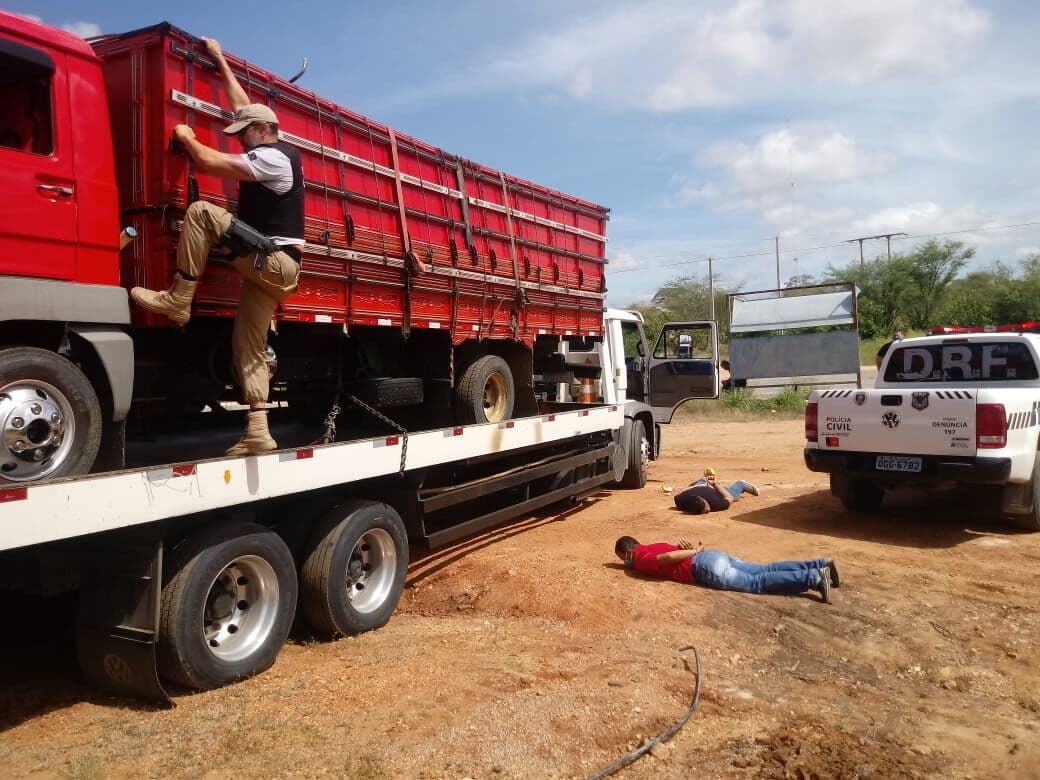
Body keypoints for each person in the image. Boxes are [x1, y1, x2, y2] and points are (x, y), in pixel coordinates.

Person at [130, 38, 304, 456]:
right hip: (271, 269)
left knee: (202, 212)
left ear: (263, 130)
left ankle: (179, 298)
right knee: (247, 344)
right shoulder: (267, 138)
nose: (239, 139)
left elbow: (208, 162)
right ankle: (258, 430)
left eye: (244, 134)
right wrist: (220, 59)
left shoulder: (276, 157)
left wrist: (186, 136)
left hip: (275, 262)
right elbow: (244, 105)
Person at [614, 536, 841, 603]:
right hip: (712, 557)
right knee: (764, 569)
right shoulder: (651, 545)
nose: (625, 563)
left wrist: (694, 552)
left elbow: (669, 558)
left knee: (757, 583)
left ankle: (813, 578)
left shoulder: (641, 558)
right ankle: (820, 564)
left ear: (628, 552)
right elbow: (673, 551)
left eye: (623, 559)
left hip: (703, 567)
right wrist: (696, 550)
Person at [673, 468, 758, 514]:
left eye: (706, 507)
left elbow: (729, 498)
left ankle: (741, 484)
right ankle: (703, 480)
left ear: (704, 500)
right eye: (706, 511)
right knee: (701, 484)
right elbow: (682, 492)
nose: (709, 509)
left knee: (734, 495)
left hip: (710, 489)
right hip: (700, 487)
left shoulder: (716, 503)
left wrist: (715, 484)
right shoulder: (680, 501)